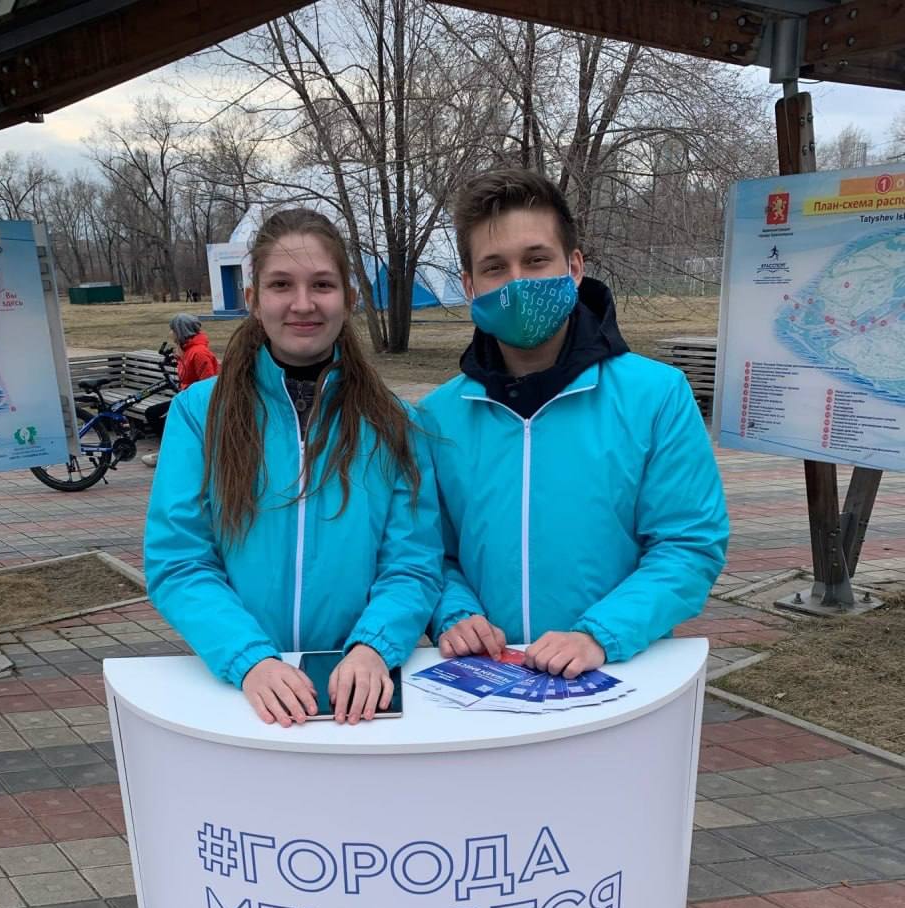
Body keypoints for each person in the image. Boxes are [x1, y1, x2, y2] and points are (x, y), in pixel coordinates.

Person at [419, 169, 729, 676]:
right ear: (470, 286)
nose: (517, 282)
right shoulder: (437, 417)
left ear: (575, 267)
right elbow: (428, 550)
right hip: (484, 676)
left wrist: (599, 634)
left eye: (536, 260)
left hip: (616, 673)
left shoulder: (656, 396)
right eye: (495, 267)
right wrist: (454, 612)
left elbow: (688, 544)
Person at [144, 208, 442, 727]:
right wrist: (249, 658)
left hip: (357, 690)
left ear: (349, 298)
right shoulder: (200, 413)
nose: (303, 304)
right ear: (253, 298)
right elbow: (180, 559)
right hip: (246, 689)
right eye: (281, 284)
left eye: (322, 284)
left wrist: (374, 647)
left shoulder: (395, 422)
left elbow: (412, 563)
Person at [142, 314, 219, 468]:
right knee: (153, 413)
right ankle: (172, 450)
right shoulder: (187, 350)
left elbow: (209, 384)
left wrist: (191, 403)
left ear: (180, 330)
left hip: (196, 402)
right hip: (186, 397)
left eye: (172, 329)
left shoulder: (199, 353)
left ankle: (173, 452)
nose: (170, 333)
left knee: (157, 415)